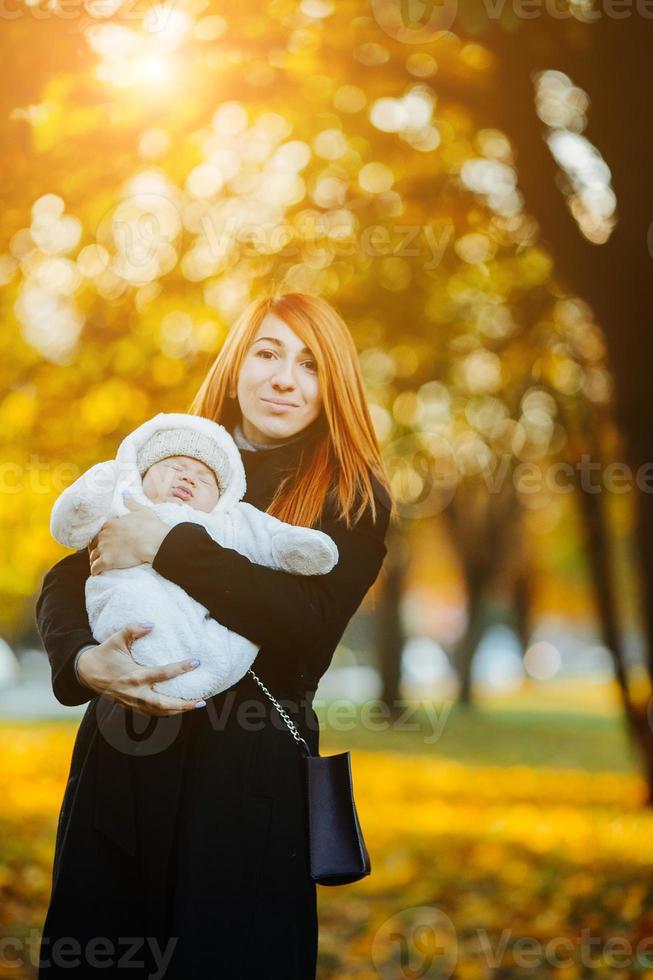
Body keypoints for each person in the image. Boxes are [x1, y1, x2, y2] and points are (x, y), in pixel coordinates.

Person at [35, 290, 394, 979]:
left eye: (310, 364)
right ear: (236, 365)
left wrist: (167, 544)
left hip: (245, 786)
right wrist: (83, 662)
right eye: (267, 353)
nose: (284, 378)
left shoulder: (350, 494)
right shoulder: (173, 453)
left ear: (334, 385)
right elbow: (65, 576)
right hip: (124, 761)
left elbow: (305, 627)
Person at [48, 411, 339, 701]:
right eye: (175, 466)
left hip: (244, 724)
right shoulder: (125, 505)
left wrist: (161, 544)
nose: (189, 477)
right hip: (121, 710)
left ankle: (189, 677)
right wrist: (82, 660)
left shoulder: (231, 518)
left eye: (205, 478)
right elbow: (66, 575)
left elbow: (310, 619)